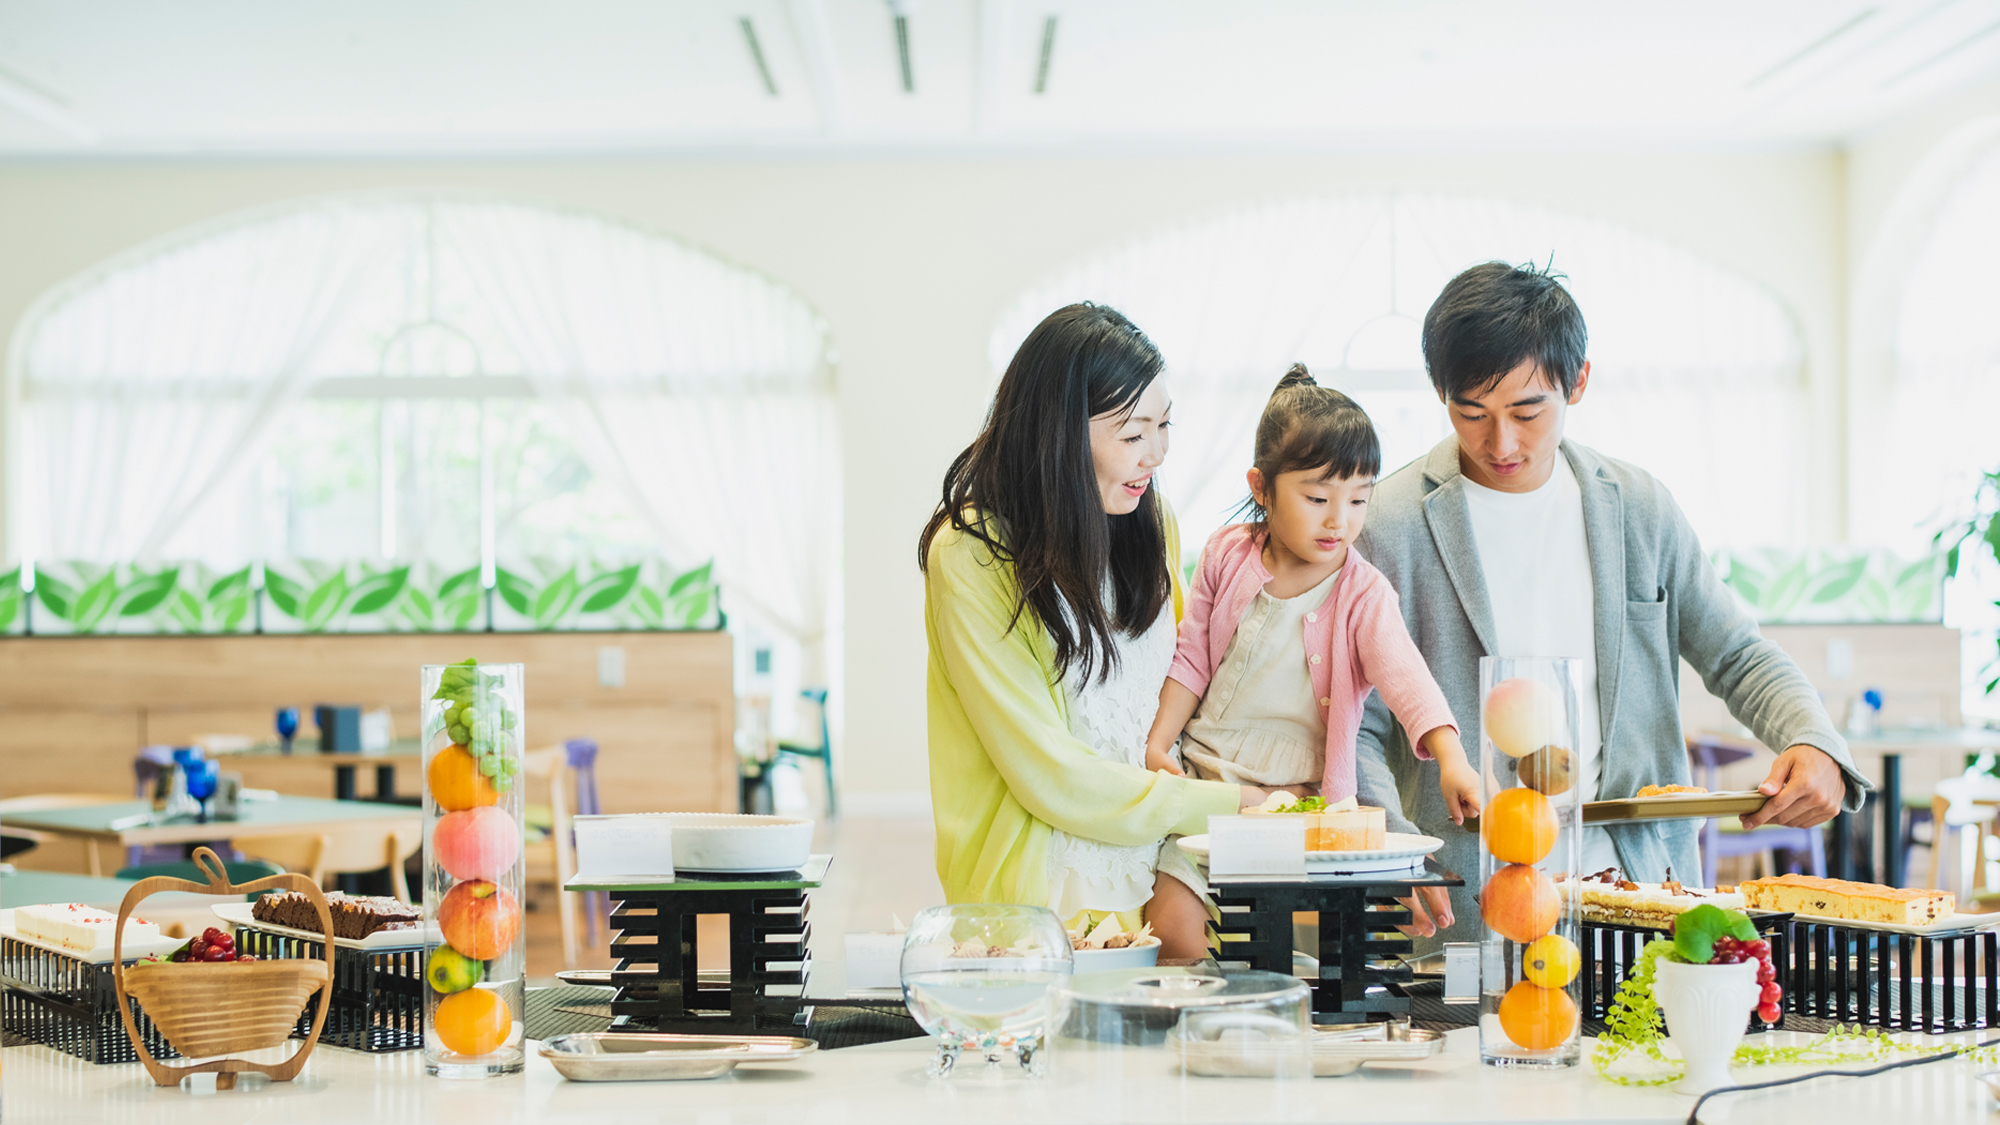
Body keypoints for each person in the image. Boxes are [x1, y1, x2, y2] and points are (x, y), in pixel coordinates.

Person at [1353, 262, 1869, 941]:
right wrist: (1391, 850)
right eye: (1471, 412)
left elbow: (1737, 653)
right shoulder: (1386, 524)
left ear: (1578, 382)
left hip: (1641, 890)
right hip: (1465, 903)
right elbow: (1356, 724)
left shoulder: (1639, 508)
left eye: (1527, 411)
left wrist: (1813, 740)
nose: (1500, 441)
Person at [921, 302, 1301, 920]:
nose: (1156, 454)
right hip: (1046, 896)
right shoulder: (973, 553)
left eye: (1164, 425)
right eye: (1133, 434)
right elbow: (1050, 774)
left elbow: (1188, 687)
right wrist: (1232, 805)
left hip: (1163, 882)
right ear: (1059, 436)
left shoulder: (1151, 522)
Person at [1139, 365, 1482, 960]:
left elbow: (1408, 680)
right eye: (1318, 498)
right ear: (1262, 487)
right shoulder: (1225, 553)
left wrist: (1451, 758)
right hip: (1208, 784)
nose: (1338, 520)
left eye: (1359, 499)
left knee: (1295, 953)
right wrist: (1158, 742)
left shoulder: (1363, 593)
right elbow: (1191, 656)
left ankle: (1277, 1008)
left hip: (1301, 807)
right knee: (1173, 932)